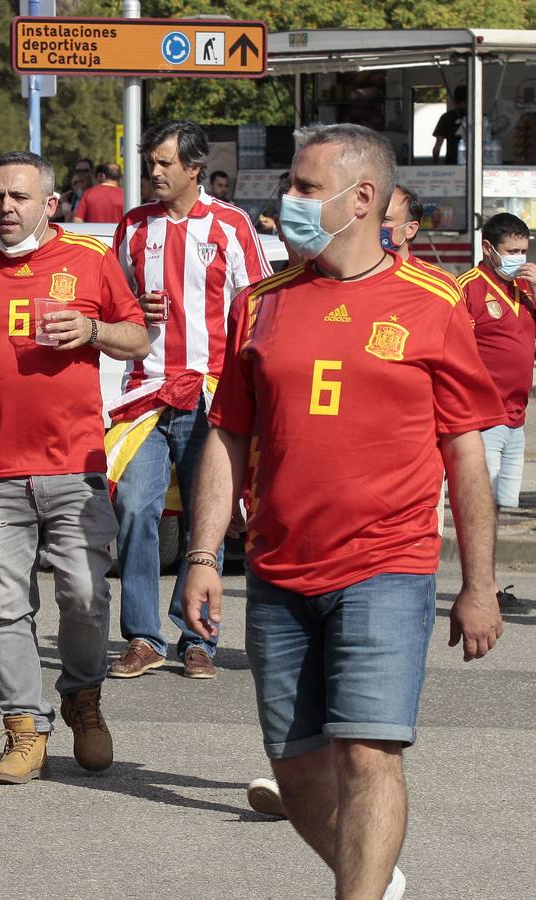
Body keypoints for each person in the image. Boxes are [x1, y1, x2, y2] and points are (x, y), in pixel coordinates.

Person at [183, 122, 505, 900]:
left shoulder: (431, 302)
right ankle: (374, 877)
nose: (283, 202)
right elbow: (228, 436)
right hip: (278, 570)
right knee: (294, 771)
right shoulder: (261, 305)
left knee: (368, 753)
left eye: (300, 187)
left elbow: (464, 453)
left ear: (360, 198)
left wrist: (478, 583)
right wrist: (199, 558)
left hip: (385, 567)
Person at [0, 150, 148, 786]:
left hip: (74, 465)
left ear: (49, 204)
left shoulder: (90, 259)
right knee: (7, 609)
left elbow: (140, 338)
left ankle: (82, 698)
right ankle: (24, 728)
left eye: (19, 197)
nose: (5, 208)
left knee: (84, 594)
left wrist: (94, 329)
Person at [108, 119, 271, 681]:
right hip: (146, 393)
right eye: (150, 161)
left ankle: (197, 636)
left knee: (210, 513)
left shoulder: (231, 224)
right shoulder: (132, 226)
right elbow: (114, 302)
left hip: (211, 393)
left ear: (194, 169)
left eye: (165, 163)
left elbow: (259, 304)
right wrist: (132, 311)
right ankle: (142, 636)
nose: (154, 172)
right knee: (134, 505)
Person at [458, 213, 536, 509]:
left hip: (518, 419)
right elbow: (455, 350)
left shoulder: (525, 287)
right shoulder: (468, 287)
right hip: (484, 417)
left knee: (509, 508)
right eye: (511, 252)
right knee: (484, 508)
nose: (519, 258)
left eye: (523, 251)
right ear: (488, 248)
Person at [433, 85, 467, 165]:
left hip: (452, 165)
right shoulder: (480, 117)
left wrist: (434, 165)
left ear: (454, 100)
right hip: (476, 165)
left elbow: (437, 148)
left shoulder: (446, 117)